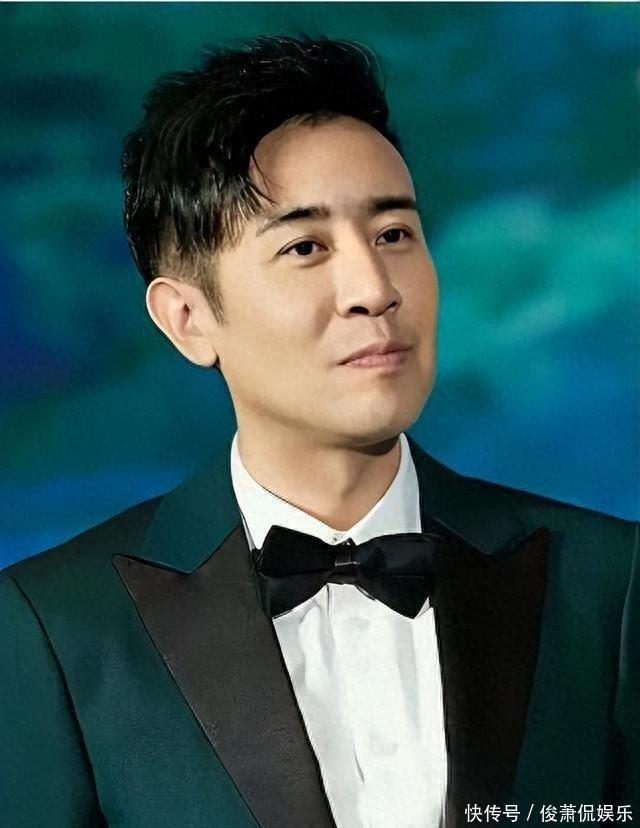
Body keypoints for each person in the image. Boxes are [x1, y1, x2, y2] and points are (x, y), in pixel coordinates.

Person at [0, 35, 637, 828]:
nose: (373, 288)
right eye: (305, 246)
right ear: (187, 318)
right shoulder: (56, 626)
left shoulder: (609, 585)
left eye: (394, 234)